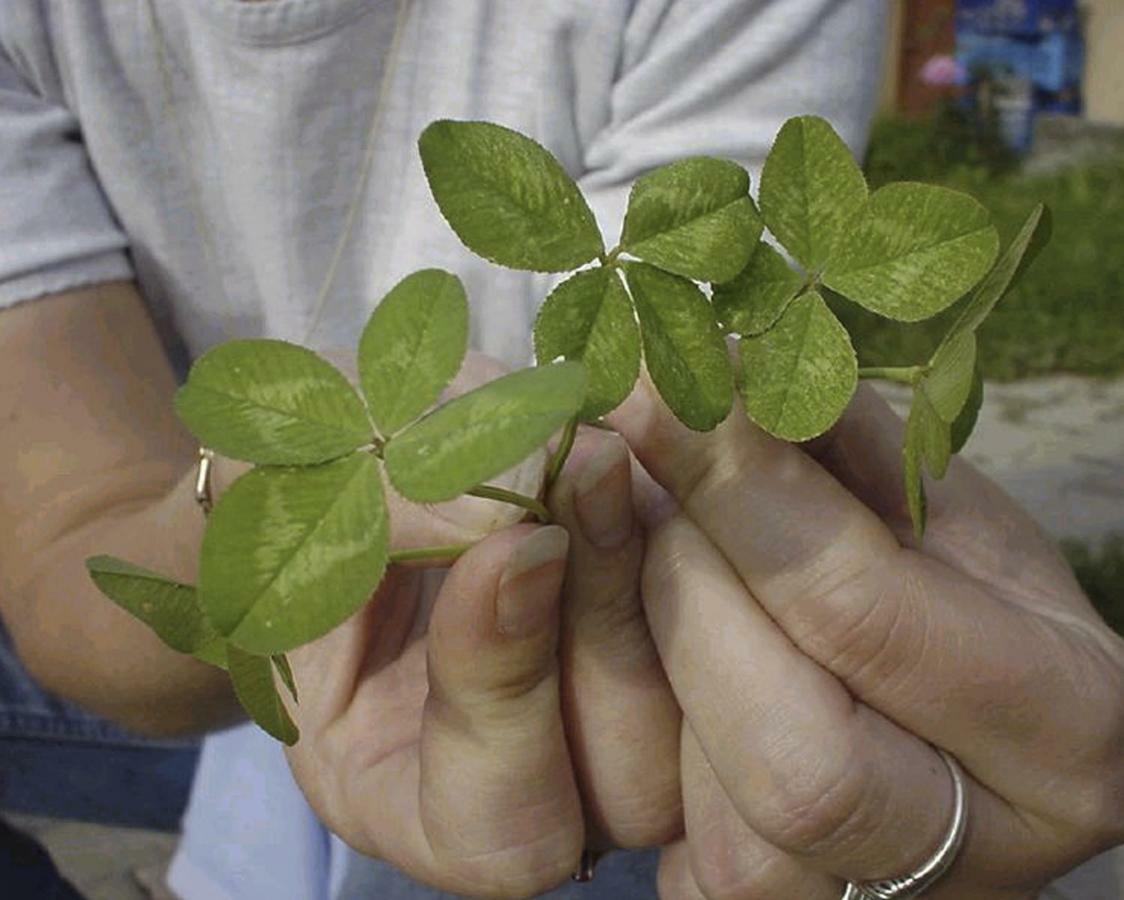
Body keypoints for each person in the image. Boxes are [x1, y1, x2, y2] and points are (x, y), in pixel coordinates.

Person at [1, 1, 1121, 898]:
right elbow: (75, 538)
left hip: (563, 658)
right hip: (310, 641)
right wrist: (240, 530)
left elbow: (649, 404)